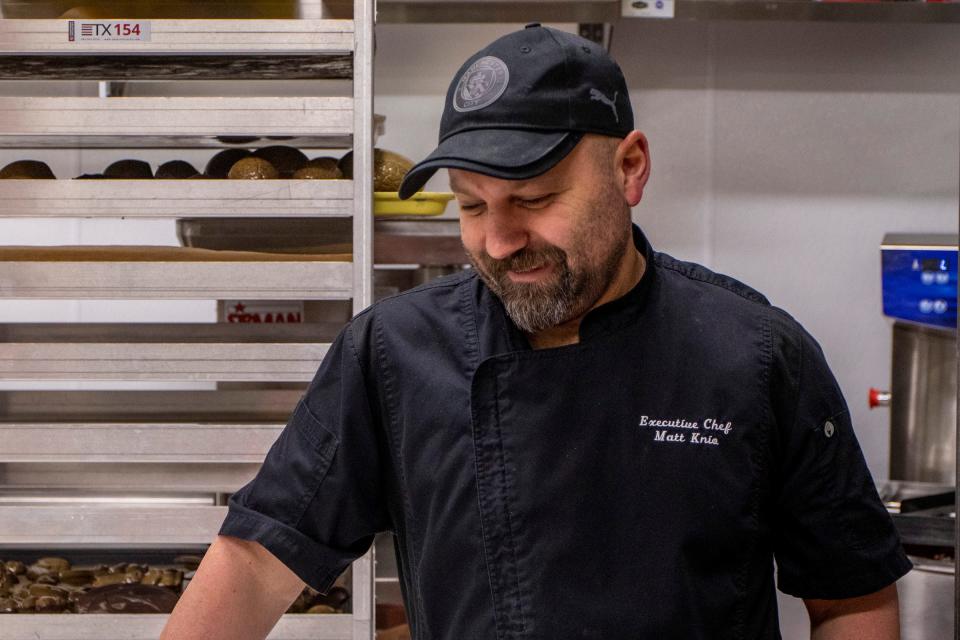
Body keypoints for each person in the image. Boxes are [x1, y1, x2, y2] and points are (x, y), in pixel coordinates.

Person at [161, 24, 911, 640]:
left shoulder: (754, 353)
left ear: (630, 167)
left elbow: (851, 597)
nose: (498, 241)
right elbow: (257, 562)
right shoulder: (391, 351)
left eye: (534, 197)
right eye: (471, 206)